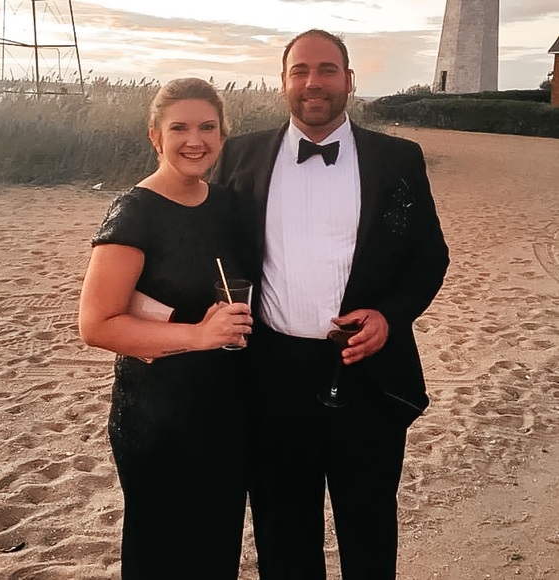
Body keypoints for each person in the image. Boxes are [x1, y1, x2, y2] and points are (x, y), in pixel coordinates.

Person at [212, 29, 450, 579]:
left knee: (368, 524)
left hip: (365, 369)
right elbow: (213, 249)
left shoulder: (397, 159)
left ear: (349, 80)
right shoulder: (240, 155)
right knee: (281, 528)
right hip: (271, 374)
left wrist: (390, 316)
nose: (313, 82)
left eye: (326, 69)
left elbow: (429, 257)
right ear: (283, 83)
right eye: (300, 71)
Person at [78, 77, 253, 580]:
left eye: (207, 127)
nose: (194, 140)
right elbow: (96, 324)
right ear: (155, 136)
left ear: (222, 135)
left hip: (226, 410)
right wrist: (198, 335)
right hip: (159, 416)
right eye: (179, 128)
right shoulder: (136, 211)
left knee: (216, 550)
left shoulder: (227, 205)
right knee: (161, 554)